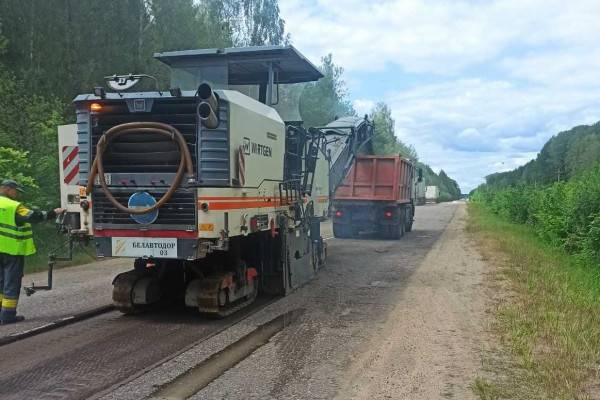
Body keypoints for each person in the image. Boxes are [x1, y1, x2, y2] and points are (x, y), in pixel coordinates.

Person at [0, 179, 64, 324]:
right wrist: (54, 212)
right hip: (11, 251)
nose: (17, 195)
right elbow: (34, 216)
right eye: (16, 191)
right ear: (8, 189)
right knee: (11, 282)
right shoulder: (13, 206)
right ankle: (7, 315)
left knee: (0, 282)